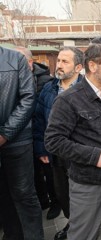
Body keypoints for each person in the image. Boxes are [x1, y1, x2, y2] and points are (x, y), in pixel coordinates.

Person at [44, 44, 101, 239]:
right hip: (88, 183)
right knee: (84, 235)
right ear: (93, 66)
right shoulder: (68, 100)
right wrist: (95, 156)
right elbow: (53, 141)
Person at [34, 46, 85, 240]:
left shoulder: (88, 89)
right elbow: (39, 120)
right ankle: (73, 225)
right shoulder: (49, 88)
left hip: (81, 153)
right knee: (63, 195)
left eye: (65, 62)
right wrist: (41, 149)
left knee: (83, 195)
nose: (59, 65)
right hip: (56, 154)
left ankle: (87, 227)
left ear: (78, 67)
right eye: (59, 61)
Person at [0, 46, 44, 239]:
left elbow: (28, 99)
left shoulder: (15, 59)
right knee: (3, 198)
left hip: (17, 142)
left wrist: (5, 134)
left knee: (24, 195)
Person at [15, 46, 61, 220]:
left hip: (42, 135)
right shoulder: (15, 78)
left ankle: (55, 202)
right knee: (33, 173)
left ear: (29, 62)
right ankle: (43, 201)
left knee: (49, 172)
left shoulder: (46, 82)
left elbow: (44, 115)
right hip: (22, 135)